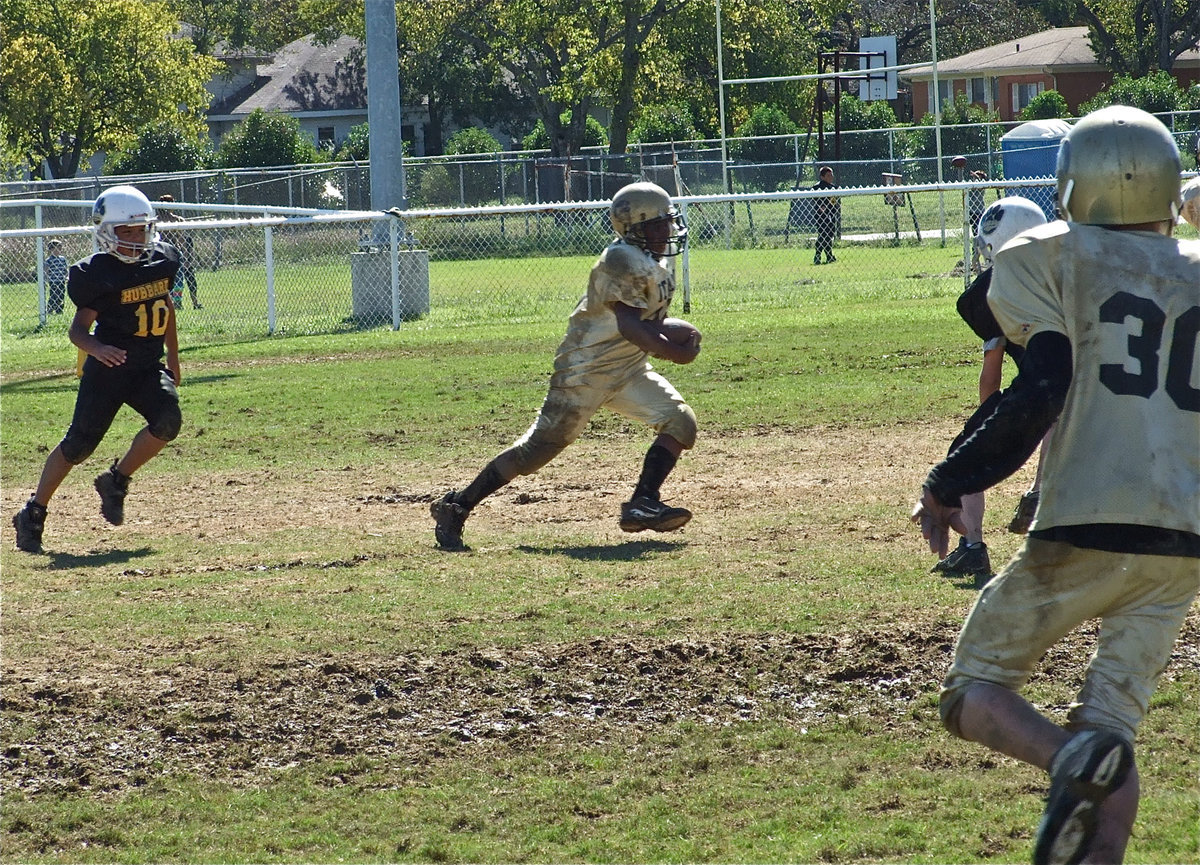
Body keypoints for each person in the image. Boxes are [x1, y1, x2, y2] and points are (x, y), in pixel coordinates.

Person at [911, 105, 1200, 865]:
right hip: (1183, 539)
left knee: (971, 692)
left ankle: (1066, 758)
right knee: (1111, 729)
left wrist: (953, 477)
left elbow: (1043, 383)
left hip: (1084, 516)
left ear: (1072, 185)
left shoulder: (1049, 256)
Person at [430, 180, 699, 551]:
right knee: (534, 453)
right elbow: (630, 325)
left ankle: (643, 502)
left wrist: (676, 330)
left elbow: (645, 322)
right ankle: (457, 506)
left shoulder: (654, 261)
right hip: (584, 373)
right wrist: (675, 352)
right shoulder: (621, 260)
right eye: (657, 224)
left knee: (681, 421)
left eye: (667, 221)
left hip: (628, 368)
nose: (667, 230)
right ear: (634, 228)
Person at [11, 185, 183, 554]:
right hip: (109, 370)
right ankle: (33, 512)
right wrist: (98, 348)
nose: (135, 239)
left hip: (145, 367)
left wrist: (173, 358)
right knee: (78, 446)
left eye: (140, 230)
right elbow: (77, 331)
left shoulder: (162, 259)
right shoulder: (96, 273)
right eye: (126, 231)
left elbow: (166, 307)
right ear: (106, 232)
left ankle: (116, 481)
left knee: (168, 422)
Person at [933, 196, 1049, 583]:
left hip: (1043, 394)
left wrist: (987, 428)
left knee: (965, 454)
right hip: (1098, 391)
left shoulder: (998, 291)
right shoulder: (1069, 274)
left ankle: (973, 547)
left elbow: (992, 371)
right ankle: (1040, 490)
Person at [157, 194, 201, 309]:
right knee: (177, 279)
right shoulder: (175, 220)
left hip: (163, 253)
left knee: (174, 279)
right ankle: (176, 302)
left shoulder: (159, 220)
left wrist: (185, 257)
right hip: (172, 253)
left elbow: (182, 240)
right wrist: (186, 257)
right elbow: (182, 241)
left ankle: (173, 302)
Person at [811, 166, 838, 264]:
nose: (831, 177)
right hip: (821, 216)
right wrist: (822, 207)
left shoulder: (833, 188)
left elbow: (834, 202)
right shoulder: (818, 187)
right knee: (823, 235)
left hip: (831, 214)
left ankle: (829, 256)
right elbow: (818, 201)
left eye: (832, 175)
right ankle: (818, 255)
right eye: (828, 175)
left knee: (828, 235)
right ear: (822, 177)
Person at [44, 239, 69, 315]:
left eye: (60, 249)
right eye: (56, 249)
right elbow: (46, 270)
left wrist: (67, 276)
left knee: (61, 295)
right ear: (51, 250)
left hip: (61, 280)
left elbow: (65, 269)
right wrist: (46, 279)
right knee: (54, 295)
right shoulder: (49, 260)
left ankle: (59, 309)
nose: (58, 251)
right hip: (53, 281)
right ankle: (50, 308)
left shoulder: (62, 259)